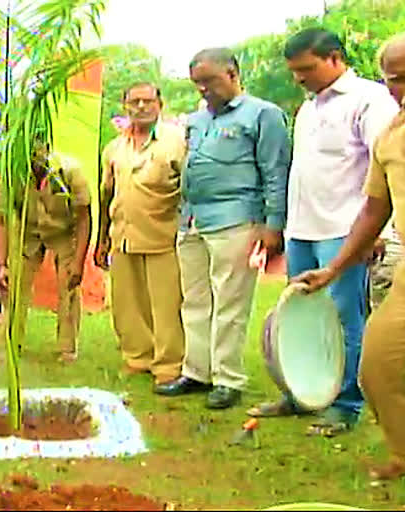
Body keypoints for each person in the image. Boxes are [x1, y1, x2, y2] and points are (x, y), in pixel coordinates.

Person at [248, 28, 400, 437]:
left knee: (345, 319)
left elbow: (384, 168)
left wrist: (376, 234)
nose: (299, 77)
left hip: (345, 230)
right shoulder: (309, 107)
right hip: (303, 228)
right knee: (301, 316)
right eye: (294, 71)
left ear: (334, 58)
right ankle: (303, 394)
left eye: (306, 68)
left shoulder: (370, 100)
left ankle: (346, 404)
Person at [293, 33, 405, 480]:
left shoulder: (365, 103)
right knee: (377, 365)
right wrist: (336, 267)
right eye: (396, 79)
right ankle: (401, 453)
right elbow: (376, 208)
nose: (401, 88)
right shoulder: (391, 137)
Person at [155, 48, 291, 410]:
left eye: (209, 81)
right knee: (195, 300)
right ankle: (197, 371)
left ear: (232, 74)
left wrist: (273, 225)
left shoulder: (264, 115)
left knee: (230, 302)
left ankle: (228, 379)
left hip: (237, 219)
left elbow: (276, 173)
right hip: (192, 219)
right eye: (197, 83)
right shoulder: (196, 121)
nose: (203, 89)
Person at [95, 82, 186, 383]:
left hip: (164, 236)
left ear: (160, 104)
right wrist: (102, 238)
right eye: (135, 102)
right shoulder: (114, 148)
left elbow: (189, 191)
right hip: (122, 236)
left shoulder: (177, 142)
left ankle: (168, 365)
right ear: (125, 106)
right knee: (126, 305)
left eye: (148, 101)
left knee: (167, 306)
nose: (142, 107)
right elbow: (106, 193)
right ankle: (137, 357)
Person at [0, 135, 91, 363]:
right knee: (15, 284)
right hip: (29, 233)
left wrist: (78, 262)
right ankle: (10, 341)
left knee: (69, 285)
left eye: (39, 149)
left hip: (64, 230)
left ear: (48, 147)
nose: (36, 155)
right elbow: (0, 221)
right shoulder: (12, 174)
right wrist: (3, 264)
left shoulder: (70, 170)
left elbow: (84, 217)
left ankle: (67, 348)